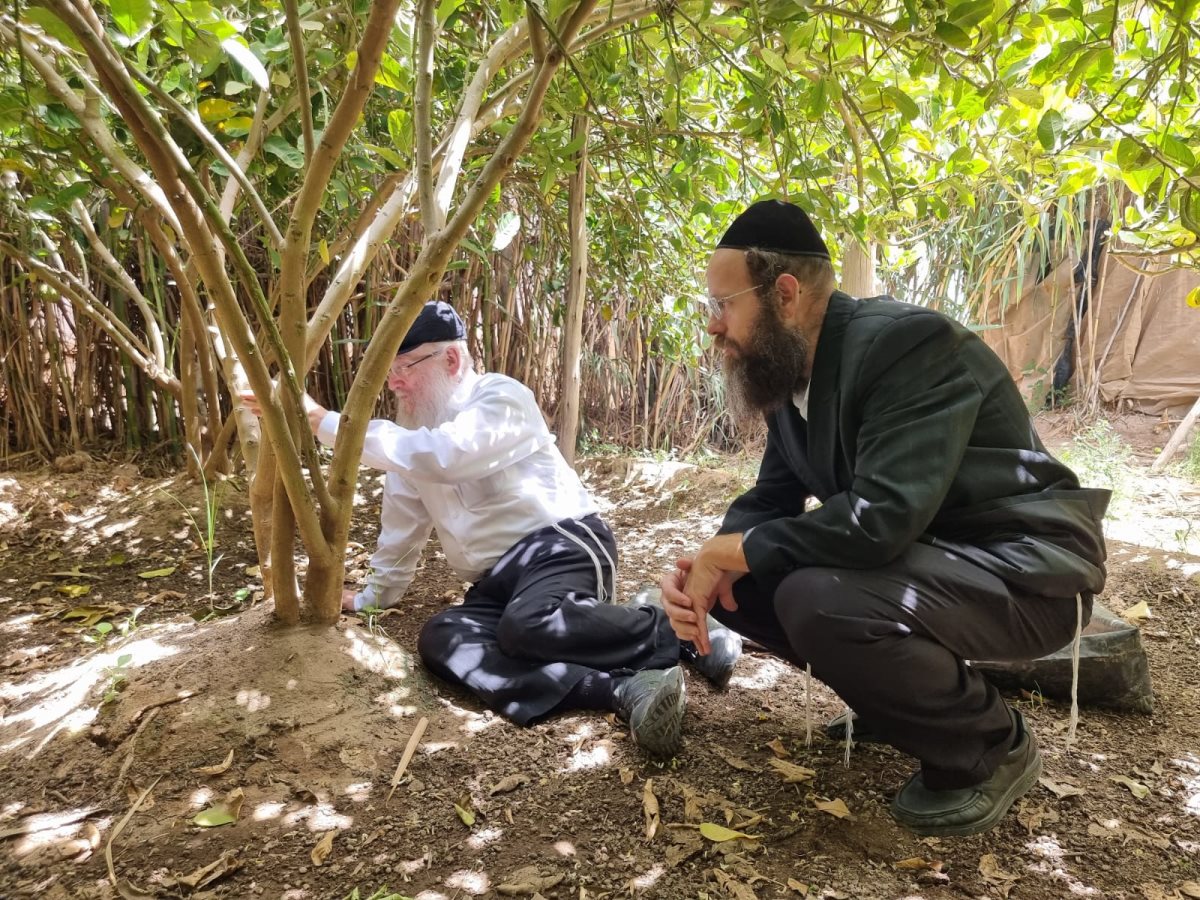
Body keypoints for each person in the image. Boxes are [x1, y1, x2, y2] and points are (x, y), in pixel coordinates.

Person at [659, 200, 1109, 836]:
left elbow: (881, 518)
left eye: (722, 304)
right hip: (931, 567)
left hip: (1024, 574)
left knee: (818, 597)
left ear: (784, 294)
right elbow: (770, 498)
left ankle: (990, 747)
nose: (714, 326)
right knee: (741, 585)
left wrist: (735, 551)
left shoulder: (904, 345)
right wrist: (706, 559)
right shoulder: (790, 377)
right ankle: (893, 700)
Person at [241, 301, 741, 757]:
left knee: (527, 624)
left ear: (451, 361)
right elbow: (401, 528)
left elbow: (448, 457)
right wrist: (373, 596)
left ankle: (677, 630)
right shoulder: (411, 443)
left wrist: (323, 421)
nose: (392, 383)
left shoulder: (499, 397)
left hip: (561, 546)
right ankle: (622, 690)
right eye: (387, 372)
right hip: (498, 583)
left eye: (402, 368)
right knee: (442, 637)